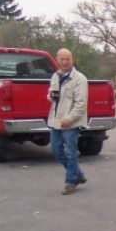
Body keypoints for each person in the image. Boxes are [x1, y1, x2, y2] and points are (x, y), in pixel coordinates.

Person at [47, 48, 88, 195]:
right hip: (56, 121)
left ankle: (70, 181)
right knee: (56, 150)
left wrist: (69, 119)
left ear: (72, 60)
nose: (65, 62)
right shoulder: (55, 76)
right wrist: (50, 96)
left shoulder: (80, 79)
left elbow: (81, 105)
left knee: (71, 153)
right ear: (57, 60)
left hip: (70, 122)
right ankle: (78, 175)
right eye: (62, 59)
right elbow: (50, 95)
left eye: (67, 59)